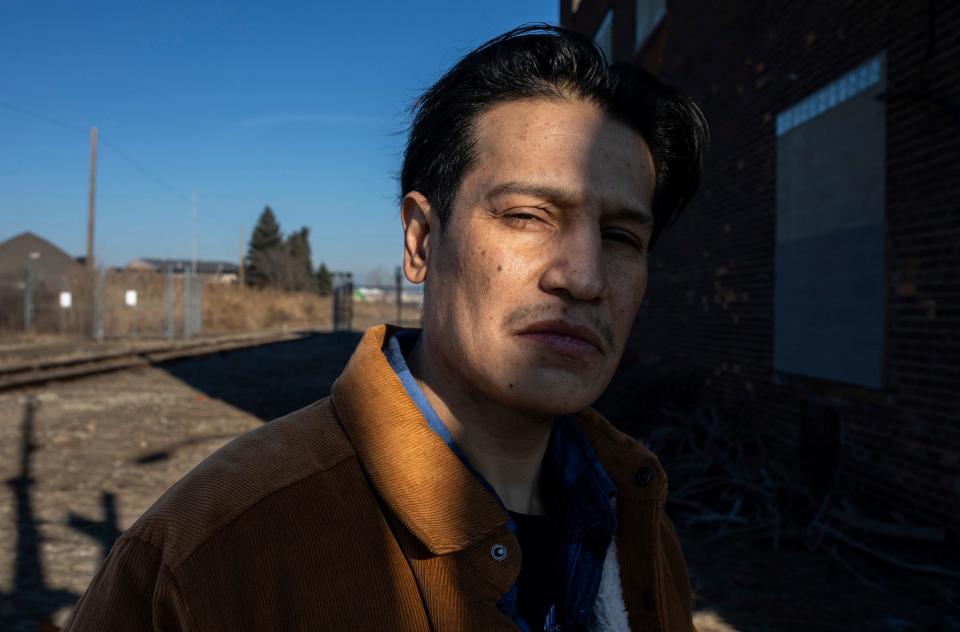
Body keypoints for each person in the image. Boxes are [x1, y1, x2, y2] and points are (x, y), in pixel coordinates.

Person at [64, 24, 707, 632]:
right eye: (529, 215)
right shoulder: (212, 549)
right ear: (421, 241)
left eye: (621, 237)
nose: (585, 276)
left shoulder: (638, 521)